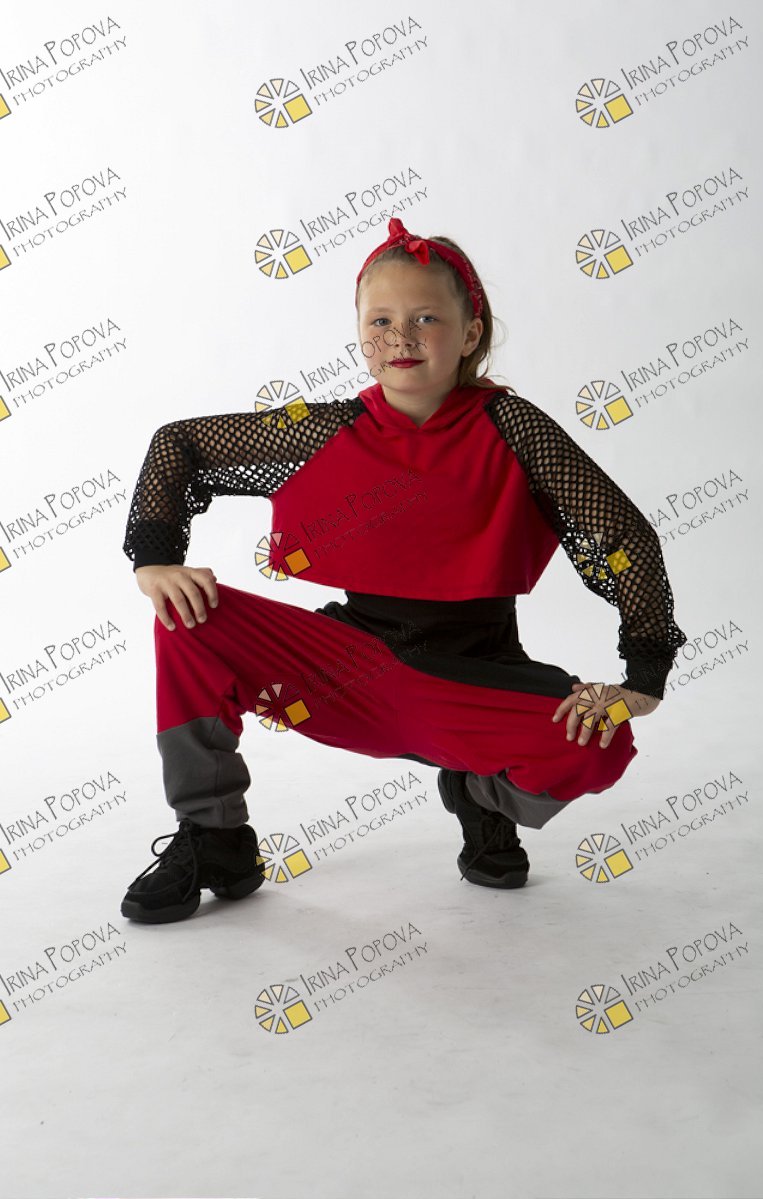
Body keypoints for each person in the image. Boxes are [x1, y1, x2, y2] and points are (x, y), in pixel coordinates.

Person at [120, 216, 687, 924]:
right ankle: (216, 838)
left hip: (472, 683)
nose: (401, 337)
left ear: (471, 333)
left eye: (426, 318)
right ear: (360, 333)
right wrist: (155, 559)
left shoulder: (514, 428)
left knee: (601, 742)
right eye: (380, 320)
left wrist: (643, 677)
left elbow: (622, 533)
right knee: (186, 618)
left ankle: (477, 792)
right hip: (346, 673)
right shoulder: (326, 428)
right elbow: (178, 443)